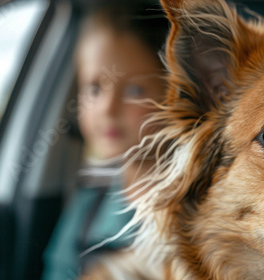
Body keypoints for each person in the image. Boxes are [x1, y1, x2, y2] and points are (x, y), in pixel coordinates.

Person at [41, 4, 168, 280]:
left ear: (176, 95)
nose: (108, 109)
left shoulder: (206, 207)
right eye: (95, 88)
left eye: (135, 89)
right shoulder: (87, 209)